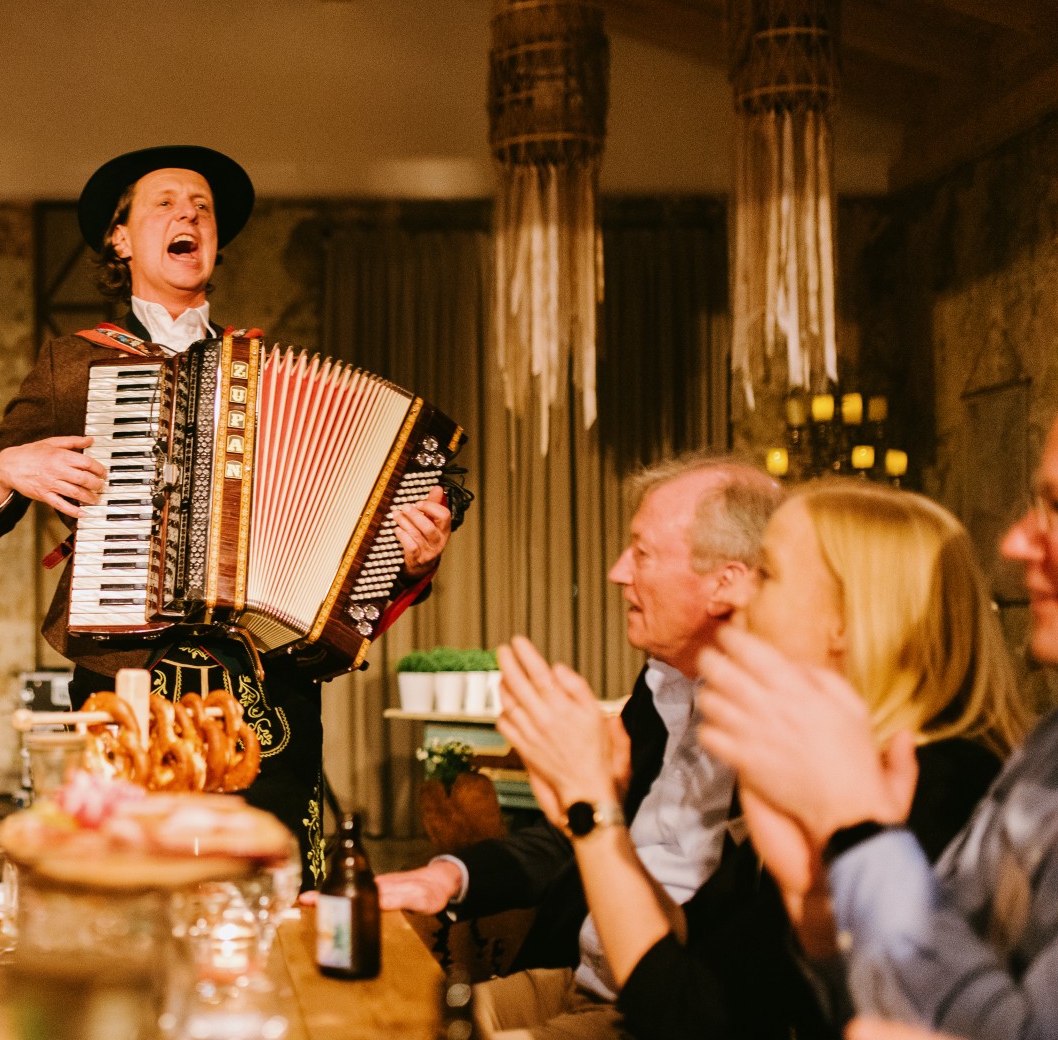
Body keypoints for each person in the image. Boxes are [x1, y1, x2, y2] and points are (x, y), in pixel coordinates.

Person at [0, 146, 457, 879]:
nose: (188, 213)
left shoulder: (266, 370)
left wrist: (409, 558)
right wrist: (5, 470)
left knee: (273, 892)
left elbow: (342, 554)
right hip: (127, 678)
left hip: (264, 680)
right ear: (120, 239)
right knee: (133, 893)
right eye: (165, 202)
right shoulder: (76, 364)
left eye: (203, 208)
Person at [493, 478, 1029, 1039]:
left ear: (845, 622)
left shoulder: (934, 785)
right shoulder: (832, 759)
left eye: (767, 573)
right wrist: (592, 816)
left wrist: (592, 814)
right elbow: (690, 945)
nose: (737, 595)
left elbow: (686, 1018)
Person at [362, 458, 776, 1037]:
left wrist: (588, 798)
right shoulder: (661, 688)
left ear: (727, 581)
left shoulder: (783, 736)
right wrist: (450, 877)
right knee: (365, 1023)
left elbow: (719, 997)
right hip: (579, 978)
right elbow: (577, 833)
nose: (616, 572)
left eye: (643, 553)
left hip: (661, 1015)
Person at [698, 419, 1058, 1038]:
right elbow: (897, 1003)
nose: (1016, 542)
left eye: (768, 574)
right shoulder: (1046, 751)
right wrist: (815, 907)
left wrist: (860, 831)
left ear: (849, 618)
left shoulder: (943, 777)